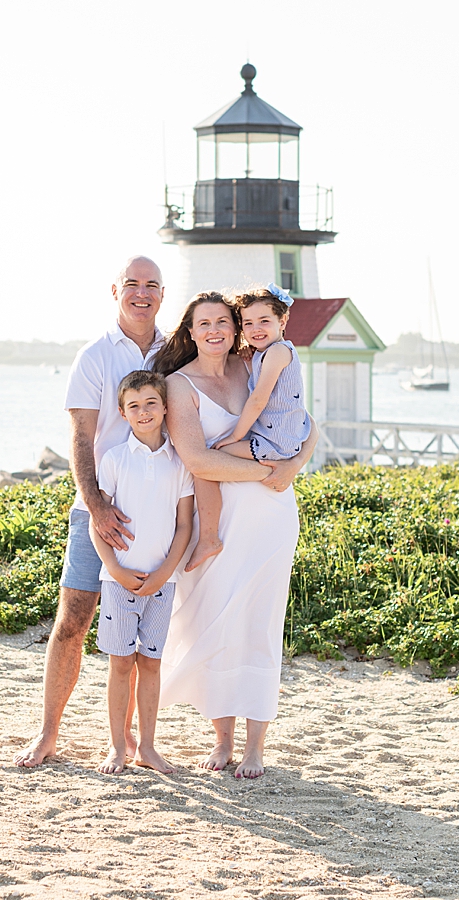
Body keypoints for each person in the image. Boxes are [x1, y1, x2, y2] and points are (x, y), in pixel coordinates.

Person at [154, 292, 319, 778]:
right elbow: (198, 460)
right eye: (203, 323)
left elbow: (306, 425)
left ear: (237, 327)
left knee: (260, 625)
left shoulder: (257, 364)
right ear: (190, 330)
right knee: (215, 621)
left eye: (222, 322)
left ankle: (255, 748)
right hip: (218, 522)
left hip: (271, 516)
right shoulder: (177, 385)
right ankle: (222, 739)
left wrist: (290, 468)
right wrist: (266, 470)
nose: (214, 330)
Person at [12, 256, 166, 769]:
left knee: (141, 635)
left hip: (157, 512)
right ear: (116, 291)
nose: (141, 293)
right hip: (96, 511)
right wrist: (97, 503)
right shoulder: (94, 355)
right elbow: (80, 437)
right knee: (73, 619)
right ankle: (48, 731)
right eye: (132, 285)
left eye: (151, 285)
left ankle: (124, 743)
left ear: (162, 294)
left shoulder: (175, 353)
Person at [88, 370, 195, 775]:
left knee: (150, 664)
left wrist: (166, 570)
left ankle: (147, 748)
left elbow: (184, 525)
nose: (144, 411)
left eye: (151, 403)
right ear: (122, 412)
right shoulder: (114, 459)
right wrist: (114, 568)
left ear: (165, 407)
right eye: (134, 406)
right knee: (120, 663)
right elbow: (98, 522)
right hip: (118, 582)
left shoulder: (179, 463)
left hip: (162, 582)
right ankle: (118, 747)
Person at [190, 284, 311, 536]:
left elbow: (257, 400)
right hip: (283, 435)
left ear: (283, 320)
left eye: (264, 321)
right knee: (209, 461)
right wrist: (252, 354)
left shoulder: (277, 352)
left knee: (209, 459)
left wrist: (234, 437)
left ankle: (208, 536)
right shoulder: (264, 353)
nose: (256, 329)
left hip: (274, 442)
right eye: (248, 323)